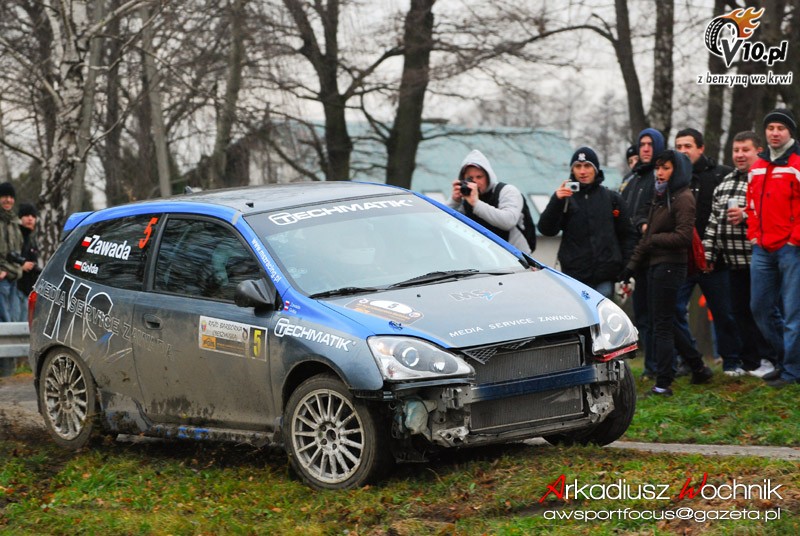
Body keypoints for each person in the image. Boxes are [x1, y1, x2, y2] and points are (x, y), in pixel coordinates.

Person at [620, 150, 713, 396]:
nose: (660, 173)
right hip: (655, 265)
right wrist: (630, 267)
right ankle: (698, 367)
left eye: (666, 168)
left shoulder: (683, 198)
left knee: (661, 324)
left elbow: (683, 237)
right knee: (666, 320)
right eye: (658, 168)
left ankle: (663, 383)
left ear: (677, 170)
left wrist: (654, 239)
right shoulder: (661, 196)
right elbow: (646, 238)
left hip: (671, 266)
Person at [702, 131, 776, 378]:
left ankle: (771, 358)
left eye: (746, 150)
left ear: (759, 151)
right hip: (732, 262)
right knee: (739, 312)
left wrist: (746, 215)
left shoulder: (765, 178)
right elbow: (714, 222)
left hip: (760, 259)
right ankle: (750, 361)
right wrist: (708, 254)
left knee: (761, 311)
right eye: (736, 150)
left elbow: (772, 214)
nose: (740, 155)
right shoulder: (724, 183)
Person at [673, 127, 743, 376]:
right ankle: (689, 360)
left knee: (724, 313)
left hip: (715, 259)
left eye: (688, 146)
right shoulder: (672, 177)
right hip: (682, 259)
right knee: (674, 310)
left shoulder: (721, 174)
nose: (683, 151)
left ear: (700, 148)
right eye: (678, 147)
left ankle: (732, 361)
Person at [746, 108, 800, 388]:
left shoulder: (797, 163)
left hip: (792, 249)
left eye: (781, 128)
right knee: (760, 308)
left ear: (790, 132)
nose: (775, 133)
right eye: (770, 128)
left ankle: (792, 371)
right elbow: (751, 205)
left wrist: (795, 239)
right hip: (762, 248)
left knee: (793, 314)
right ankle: (784, 361)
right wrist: (754, 235)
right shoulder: (757, 166)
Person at [538, 146, 636, 297]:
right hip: (574, 276)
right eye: (578, 166)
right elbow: (546, 230)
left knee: (603, 312)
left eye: (587, 166)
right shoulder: (566, 199)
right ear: (572, 170)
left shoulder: (612, 198)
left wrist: (626, 272)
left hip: (605, 276)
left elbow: (627, 236)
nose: (582, 171)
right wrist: (556, 201)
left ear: (595, 169)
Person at [620, 128, 666, 379]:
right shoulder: (632, 178)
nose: (646, 148)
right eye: (642, 144)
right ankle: (650, 366)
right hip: (634, 255)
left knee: (659, 315)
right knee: (642, 316)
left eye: (650, 144)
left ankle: (662, 365)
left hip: (656, 254)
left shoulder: (660, 177)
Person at [448, 149, 533, 254]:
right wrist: (454, 201)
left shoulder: (507, 191)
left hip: (514, 257)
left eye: (479, 177)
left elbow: (508, 221)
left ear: (488, 177)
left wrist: (476, 204)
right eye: (470, 178)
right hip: (482, 257)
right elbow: (444, 223)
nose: (475, 181)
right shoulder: (466, 198)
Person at [0, 182, 26, 322]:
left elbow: (18, 250)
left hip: (14, 277)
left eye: (11, 197)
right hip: (2, 278)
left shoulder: (15, 222)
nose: (8, 200)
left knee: (14, 322)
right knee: (5, 323)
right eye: (4, 196)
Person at [15, 203, 41, 322]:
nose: (30, 218)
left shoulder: (32, 238)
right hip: (16, 288)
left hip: (28, 290)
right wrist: (21, 266)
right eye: (26, 215)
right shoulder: (17, 236)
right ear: (20, 218)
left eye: (33, 216)